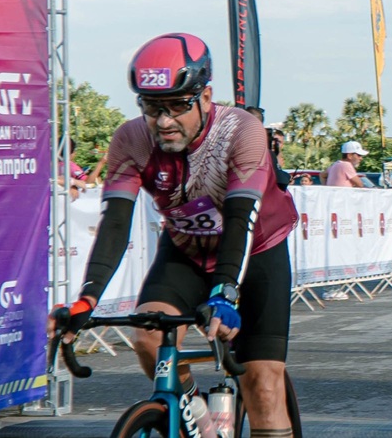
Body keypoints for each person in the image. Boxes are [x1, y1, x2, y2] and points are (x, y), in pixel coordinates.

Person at [48, 33, 299, 437]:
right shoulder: (131, 139)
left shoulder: (242, 130)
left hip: (256, 252)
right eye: (151, 107)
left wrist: (225, 292)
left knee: (262, 385)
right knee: (149, 339)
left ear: (206, 96)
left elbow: (241, 219)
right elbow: (115, 222)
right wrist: (86, 299)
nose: (164, 121)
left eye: (178, 105)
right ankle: (199, 422)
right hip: (186, 251)